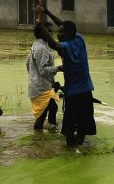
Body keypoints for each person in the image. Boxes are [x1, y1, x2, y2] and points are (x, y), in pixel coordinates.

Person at [40, 8, 96, 146]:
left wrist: (41, 26)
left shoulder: (65, 46)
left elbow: (53, 44)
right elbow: (64, 25)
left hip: (73, 94)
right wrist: (47, 12)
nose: (58, 34)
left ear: (67, 34)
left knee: (69, 125)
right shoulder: (80, 39)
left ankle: (71, 147)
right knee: (84, 122)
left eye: (60, 32)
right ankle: (80, 144)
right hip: (86, 91)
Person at [27, 22, 60, 130]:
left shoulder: (36, 45)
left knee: (52, 108)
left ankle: (50, 128)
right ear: (44, 33)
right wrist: (58, 68)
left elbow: (28, 64)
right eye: (49, 31)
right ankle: (39, 137)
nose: (52, 33)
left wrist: (33, 76)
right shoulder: (42, 49)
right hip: (41, 87)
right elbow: (43, 70)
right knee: (42, 115)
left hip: (39, 85)